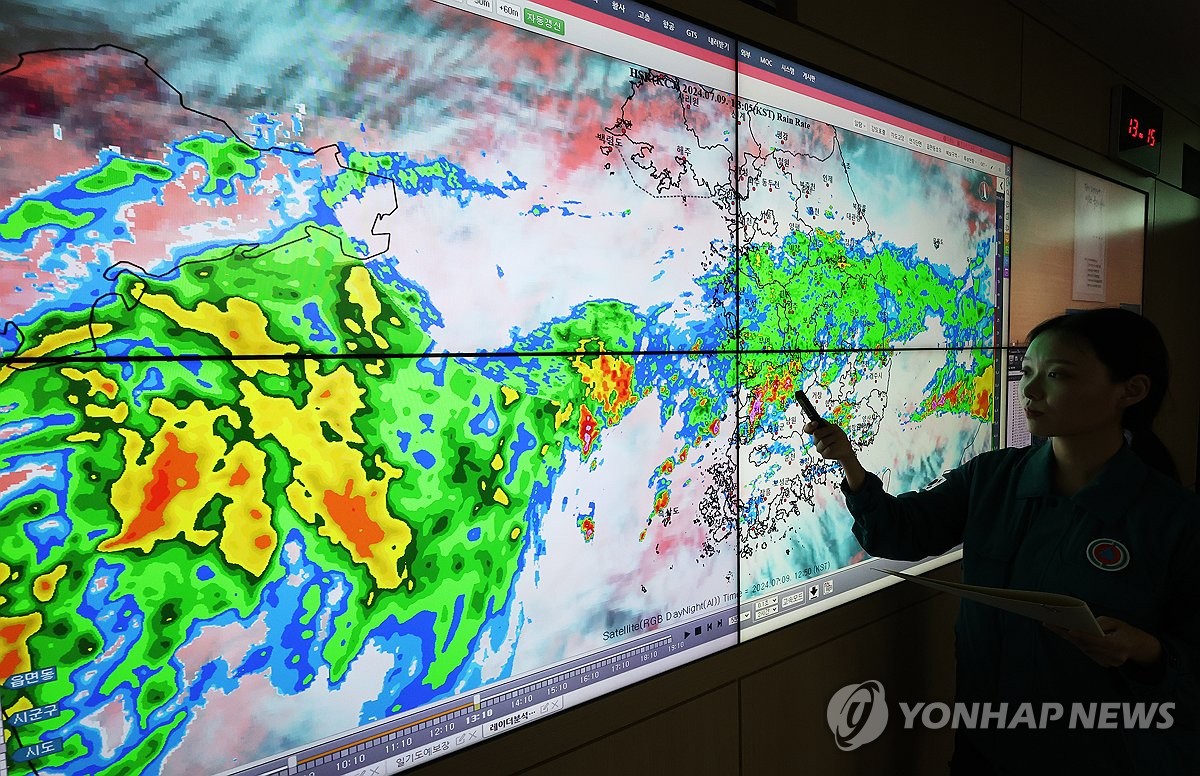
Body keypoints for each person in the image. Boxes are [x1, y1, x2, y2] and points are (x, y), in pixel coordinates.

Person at [804, 307, 1199, 774]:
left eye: (1056, 375)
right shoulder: (993, 478)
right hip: (985, 749)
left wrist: (1146, 652)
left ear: (1130, 390)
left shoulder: (1172, 518)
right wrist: (849, 462)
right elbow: (902, 532)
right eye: (1027, 372)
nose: (1030, 390)